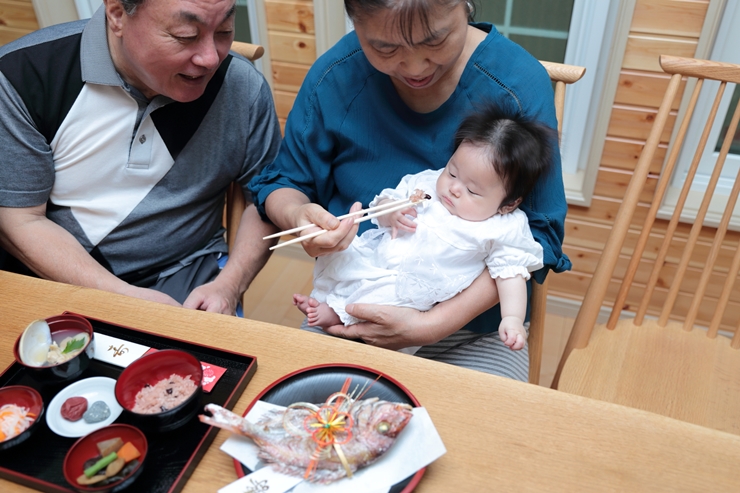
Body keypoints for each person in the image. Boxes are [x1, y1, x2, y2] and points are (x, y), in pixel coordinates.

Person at [249, 0, 571, 380]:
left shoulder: (516, 84)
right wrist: (298, 217)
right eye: (385, 48)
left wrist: (432, 325)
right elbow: (285, 181)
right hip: (355, 307)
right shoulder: (335, 77)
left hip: (473, 329)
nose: (415, 67)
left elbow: (537, 236)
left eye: (436, 41)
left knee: (481, 432)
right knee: (311, 423)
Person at [0, 0, 281, 315]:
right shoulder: (21, 76)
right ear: (117, 14)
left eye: (225, 31)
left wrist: (229, 285)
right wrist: (120, 297)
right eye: (186, 35)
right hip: (56, 281)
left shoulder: (241, 87)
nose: (210, 58)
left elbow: (266, 198)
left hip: (186, 281)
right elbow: (20, 219)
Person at [294, 106, 554, 355]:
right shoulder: (427, 183)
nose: (454, 188)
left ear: (508, 204)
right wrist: (391, 212)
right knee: (347, 260)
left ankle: (338, 316)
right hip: (380, 258)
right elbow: (383, 204)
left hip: (411, 291)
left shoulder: (502, 228)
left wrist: (512, 318)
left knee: (380, 300)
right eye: (452, 172)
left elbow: (510, 275)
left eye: (473, 190)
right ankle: (331, 308)